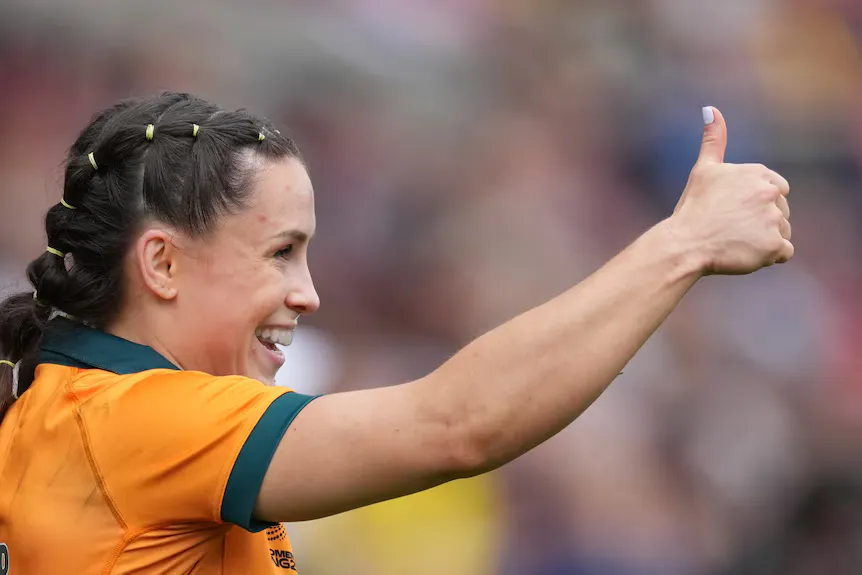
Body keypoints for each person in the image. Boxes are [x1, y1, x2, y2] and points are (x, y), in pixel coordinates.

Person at [0, 93, 792, 574]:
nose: (308, 293)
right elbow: (457, 425)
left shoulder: (76, 413)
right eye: (280, 252)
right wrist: (684, 243)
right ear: (163, 263)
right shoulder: (142, 420)